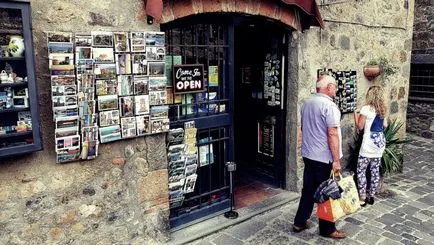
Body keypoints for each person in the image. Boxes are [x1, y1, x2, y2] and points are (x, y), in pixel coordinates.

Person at [292, 75, 346, 239]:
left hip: (309, 155)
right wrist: (336, 160)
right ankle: (328, 229)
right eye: (334, 86)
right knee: (327, 193)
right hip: (324, 158)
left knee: (308, 190)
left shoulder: (306, 103)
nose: (336, 89)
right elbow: (332, 133)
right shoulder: (329, 106)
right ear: (328, 87)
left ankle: (299, 222)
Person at [353, 85, 387, 206]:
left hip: (368, 144)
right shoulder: (383, 109)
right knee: (374, 170)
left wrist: (355, 117)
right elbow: (385, 125)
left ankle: (362, 198)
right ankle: (371, 195)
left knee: (361, 170)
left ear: (370, 96)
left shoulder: (366, 109)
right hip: (379, 144)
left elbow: (360, 127)